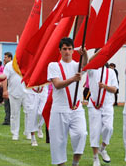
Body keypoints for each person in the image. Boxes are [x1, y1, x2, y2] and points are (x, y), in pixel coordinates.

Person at [47, 37, 88, 166]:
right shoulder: (54, 65)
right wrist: (73, 79)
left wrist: (85, 53)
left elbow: (85, 65)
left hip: (76, 109)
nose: (67, 51)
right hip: (60, 109)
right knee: (58, 142)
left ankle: (75, 163)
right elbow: (57, 84)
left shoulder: (76, 65)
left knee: (81, 134)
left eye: (70, 49)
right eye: (64, 49)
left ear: (73, 50)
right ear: (60, 50)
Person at [87, 58, 118, 166]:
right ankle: (95, 158)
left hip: (107, 105)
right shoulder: (92, 70)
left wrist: (105, 86)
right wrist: (92, 55)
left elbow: (114, 89)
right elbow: (85, 63)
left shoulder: (111, 72)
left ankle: (102, 148)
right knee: (95, 132)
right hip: (95, 106)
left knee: (109, 128)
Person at [2, 60, 29, 141]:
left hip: (27, 92)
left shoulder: (27, 63)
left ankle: (28, 132)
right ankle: (15, 133)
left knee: (28, 113)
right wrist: (5, 90)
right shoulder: (9, 65)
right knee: (14, 114)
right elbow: (4, 78)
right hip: (13, 93)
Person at [2, 52, 12, 125]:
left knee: (8, 105)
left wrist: (5, 90)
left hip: (10, 88)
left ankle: (8, 120)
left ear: (10, 58)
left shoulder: (9, 66)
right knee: (7, 105)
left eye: (5, 57)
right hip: (8, 87)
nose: (4, 58)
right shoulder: (6, 66)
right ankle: (7, 119)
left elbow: (5, 78)